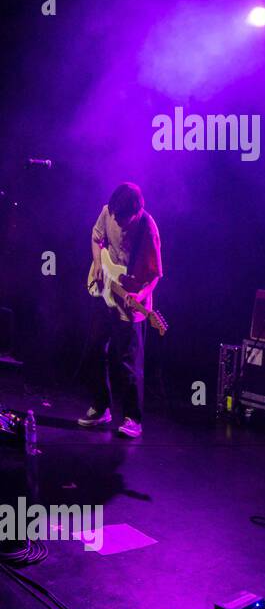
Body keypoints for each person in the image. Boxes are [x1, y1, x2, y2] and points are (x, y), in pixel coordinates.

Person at [79, 182, 162, 439]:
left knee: (128, 363)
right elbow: (96, 237)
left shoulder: (148, 228)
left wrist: (141, 295)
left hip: (131, 301)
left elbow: (156, 275)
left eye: (122, 218)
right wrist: (98, 264)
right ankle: (102, 406)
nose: (117, 220)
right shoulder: (108, 211)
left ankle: (133, 418)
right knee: (93, 351)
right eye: (114, 215)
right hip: (105, 293)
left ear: (136, 212)